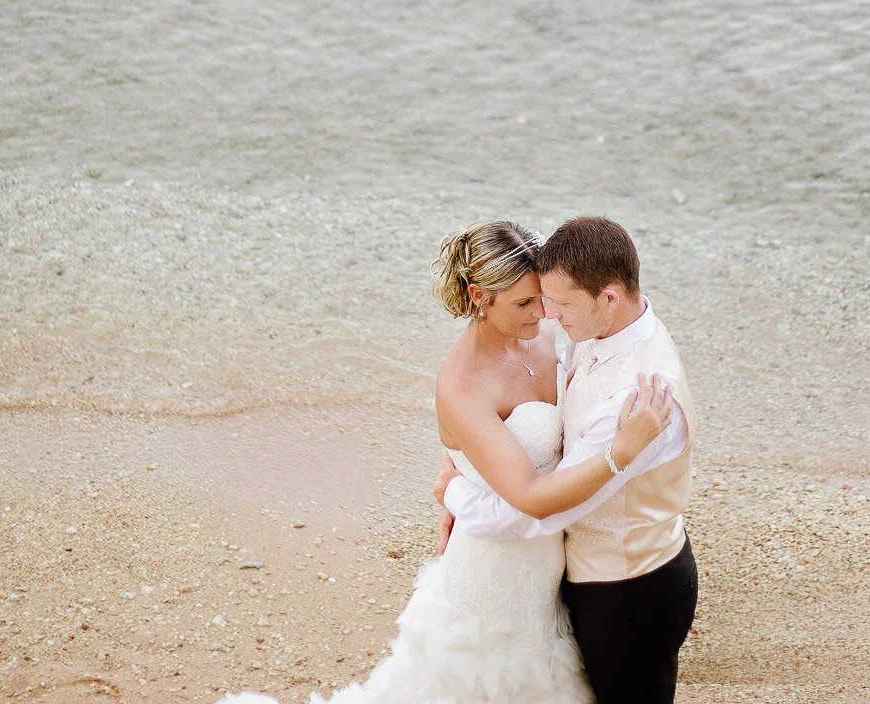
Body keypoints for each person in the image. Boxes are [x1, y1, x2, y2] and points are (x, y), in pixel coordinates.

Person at [217, 220, 673, 704]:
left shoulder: (539, 333)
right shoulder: (462, 384)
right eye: (523, 303)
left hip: (548, 567)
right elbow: (528, 493)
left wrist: (458, 482)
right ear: (480, 296)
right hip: (494, 573)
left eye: (542, 297)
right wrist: (619, 454)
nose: (543, 312)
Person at [440, 216, 697, 704]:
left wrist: (455, 494)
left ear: (609, 297)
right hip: (536, 572)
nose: (547, 315)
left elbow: (545, 508)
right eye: (533, 300)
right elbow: (479, 414)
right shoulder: (604, 328)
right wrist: (466, 462)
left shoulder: (636, 402)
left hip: (625, 583)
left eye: (555, 302)